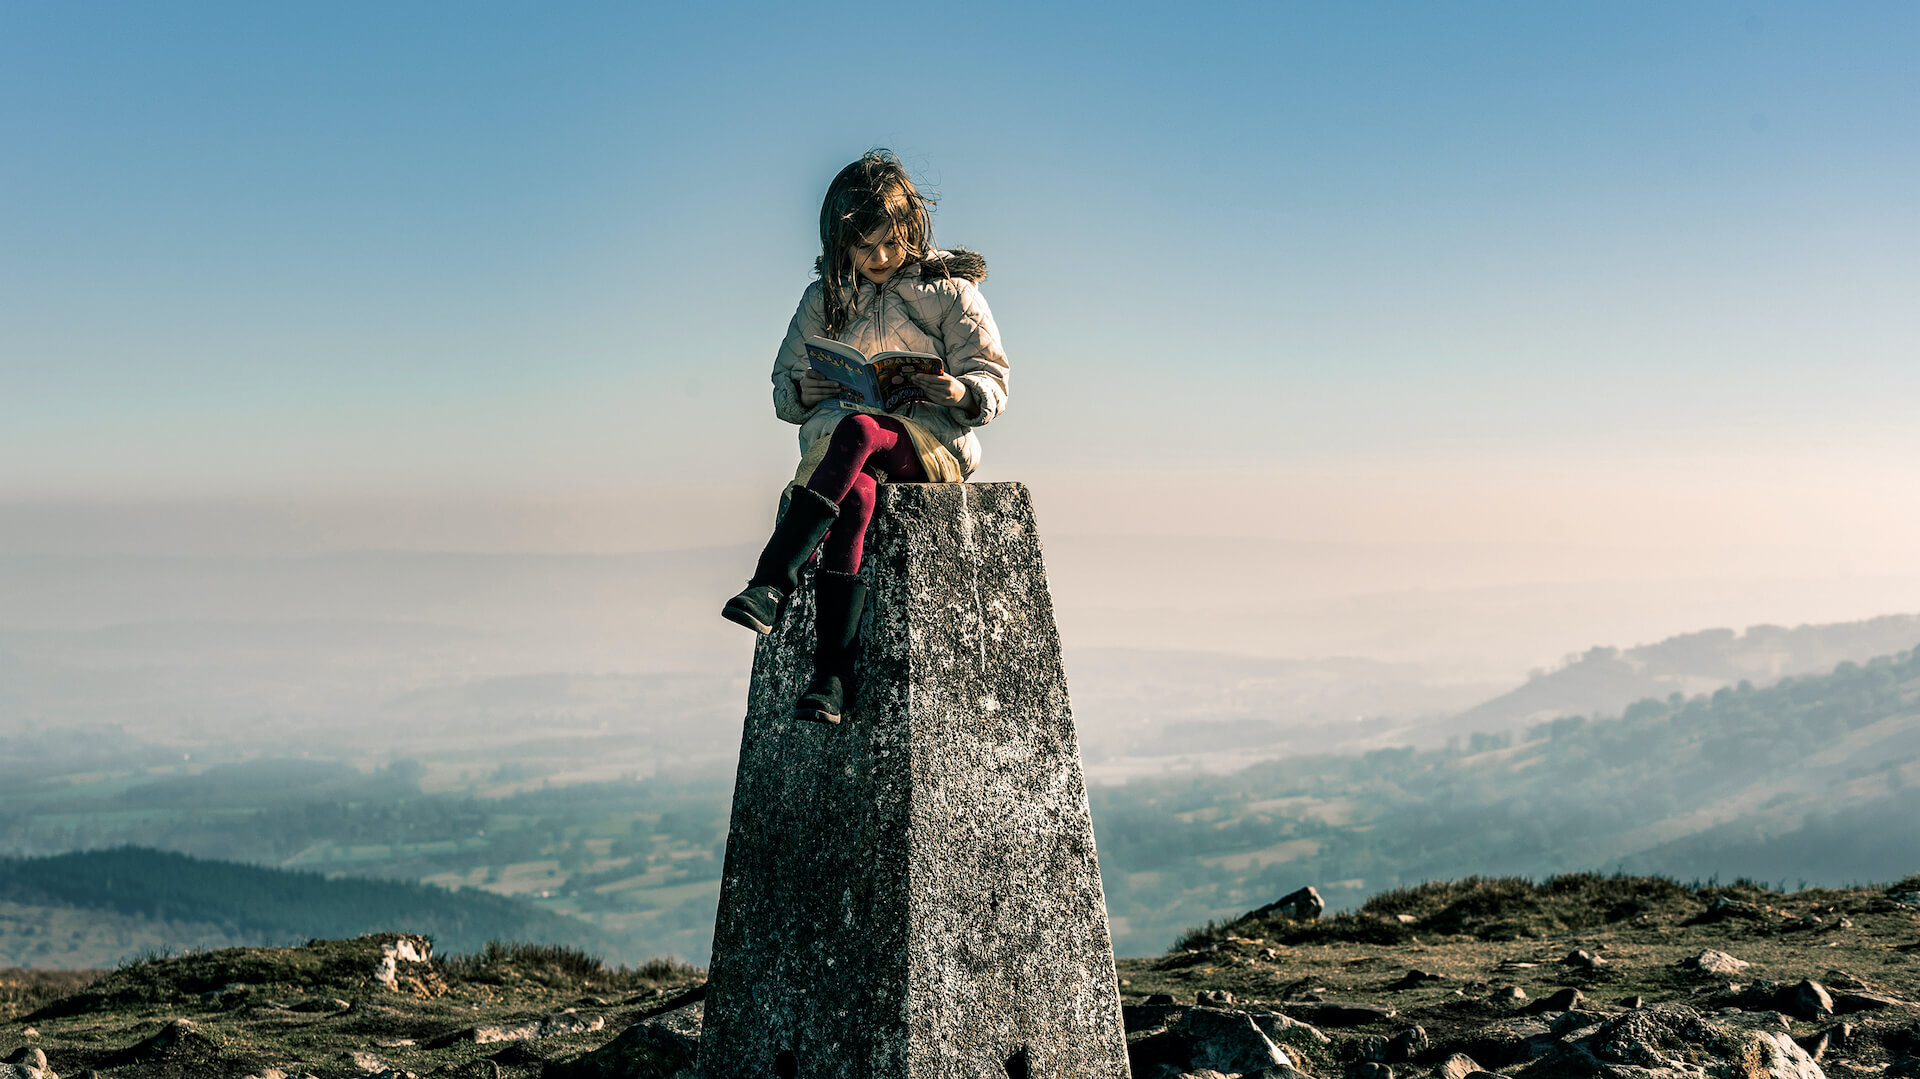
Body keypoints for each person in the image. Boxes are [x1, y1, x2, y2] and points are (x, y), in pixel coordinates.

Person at [722, 150, 1009, 724]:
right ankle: (831, 678)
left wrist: (957, 392)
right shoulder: (822, 300)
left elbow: (992, 378)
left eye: (891, 242)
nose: (879, 258)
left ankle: (772, 581)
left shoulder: (949, 292)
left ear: (911, 231)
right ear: (839, 243)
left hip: (928, 444)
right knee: (855, 496)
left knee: (859, 428)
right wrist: (803, 392)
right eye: (863, 245)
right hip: (848, 453)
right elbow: (783, 386)